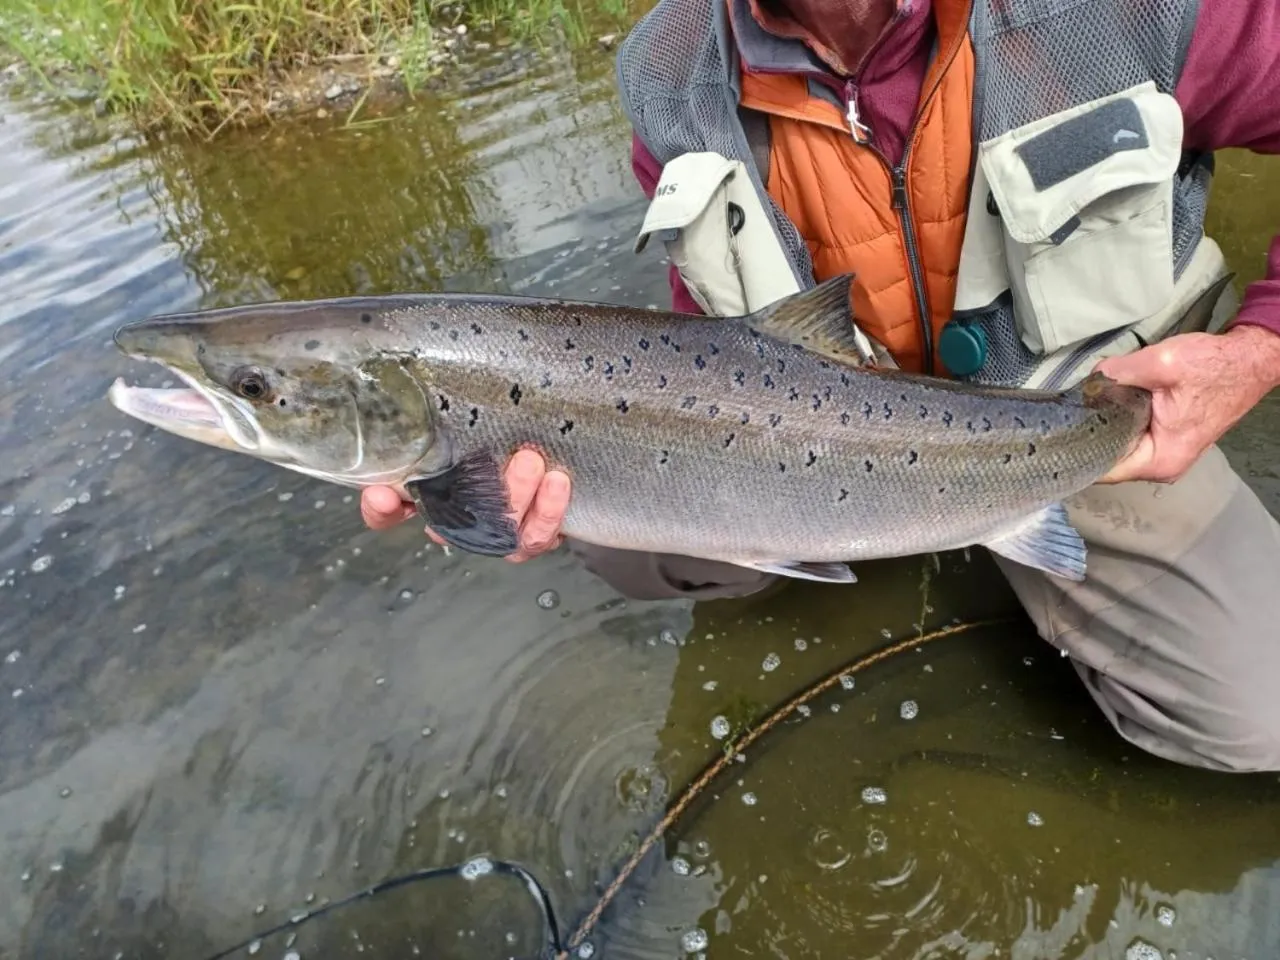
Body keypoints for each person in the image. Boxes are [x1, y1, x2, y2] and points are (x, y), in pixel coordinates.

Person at [362, 0, 1280, 772]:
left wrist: (1258, 347)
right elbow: (703, 324)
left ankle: (982, 533)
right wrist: (480, 492)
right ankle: (847, 533)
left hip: (1087, 427)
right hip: (812, 437)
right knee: (601, 528)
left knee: (1262, 717)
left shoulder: (1131, 10)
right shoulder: (668, 71)